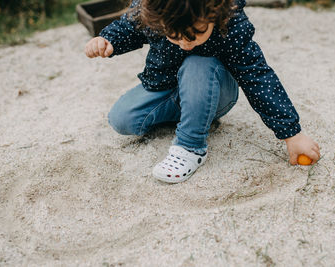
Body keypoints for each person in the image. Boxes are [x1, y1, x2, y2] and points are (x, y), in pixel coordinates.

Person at [84, 0, 321, 183]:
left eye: (195, 33)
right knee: (123, 119)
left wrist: (292, 133)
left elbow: (257, 76)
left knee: (197, 60)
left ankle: (190, 146)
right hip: (168, 85)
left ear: (213, 14)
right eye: (175, 36)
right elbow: (130, 25)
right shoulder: (156, 9)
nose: (186, 43)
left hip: (214, 90)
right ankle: (193, 115)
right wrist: (108, 40)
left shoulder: (230, 23)